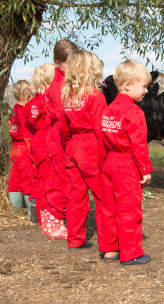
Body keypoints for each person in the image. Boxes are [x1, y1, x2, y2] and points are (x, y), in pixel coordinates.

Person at [99, 59, 153, 265]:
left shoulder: (108, 110)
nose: (146, 91)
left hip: (109, 162)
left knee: (109, 207)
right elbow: (138, 145)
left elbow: (102, 139)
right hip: (126, 164)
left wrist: (102, 163)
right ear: (128, 84)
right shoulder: (135, 112)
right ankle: (131, 253)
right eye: (144, 86)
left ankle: (110, 249)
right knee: (129, 208)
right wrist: (145, 170)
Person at [59, 50, 107, 250]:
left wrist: (68, 148)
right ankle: (108, 242)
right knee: (102, 195)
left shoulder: (68, 97)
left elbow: (63, 128)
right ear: (92, 70)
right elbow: (100, 129)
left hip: (73, 146)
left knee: (76, 196)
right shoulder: (96, 97)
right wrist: (105, 157)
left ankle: (75, 239)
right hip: (91, 146)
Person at [44, 39, 79, 239]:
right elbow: (61, 115)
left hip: (60, 135)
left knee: (61, 177)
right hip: (60, 137)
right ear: (58, 63)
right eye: (69, 63)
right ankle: (53, 221)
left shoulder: (64, 80)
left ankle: (55, 219)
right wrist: (69, 142)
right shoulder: (60, 84)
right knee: (60, 179)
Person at [26, 63, 56, 231]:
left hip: (37, 139)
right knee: (49, 180)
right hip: (47, 139)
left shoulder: (35, 99)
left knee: (39, 178)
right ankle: (47, 218)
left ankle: (38, 216)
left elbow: (31, 119)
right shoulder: (48, 98)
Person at [7, 80, 35, 217]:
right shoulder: (24, 112)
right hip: (24, 148)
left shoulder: (13, 111)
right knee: (28, 179)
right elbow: (27, 134)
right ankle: (31, 213)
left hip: (15, 149)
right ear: (27, 95)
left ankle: (16, 211)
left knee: (15, 179)